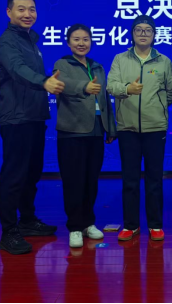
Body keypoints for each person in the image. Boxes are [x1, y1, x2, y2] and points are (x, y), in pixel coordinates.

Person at [0, 0, 65, 255]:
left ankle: (27, 221)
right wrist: (44, 81)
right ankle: (9, 232)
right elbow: (18, 70)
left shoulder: (30, 40)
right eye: (21, 9)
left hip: (34, 117)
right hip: (17, 119)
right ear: (9, 12)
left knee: (31, 174)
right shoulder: (7, 42)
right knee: (14, 176)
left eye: (32, 9)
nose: (28, 14)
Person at [107, 15, 172, 242]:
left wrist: (156, 105)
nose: (143, 33)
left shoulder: (164, 61)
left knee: (155, 179)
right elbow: (111, 86)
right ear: (132, 34)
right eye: (139, 30)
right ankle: (131, 225)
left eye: (148, 30)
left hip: (155, 127)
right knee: (130, 180)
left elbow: (171, 91)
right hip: (127, 128)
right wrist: (127, 89)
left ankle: (155, 225)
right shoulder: (120, 58)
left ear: (154, 35)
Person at [54, 24, 117, 248]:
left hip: (96, 130)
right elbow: (63, 85)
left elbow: (105, 100)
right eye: (76, 39)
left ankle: (88, 223)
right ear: (68, 42)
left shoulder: (97, 66)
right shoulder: (62, 64)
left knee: (91, 180)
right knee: (73, 181)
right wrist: (84, 87)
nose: (82, 43)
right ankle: (74, 226)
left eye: (86, 39)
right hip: (72, 131)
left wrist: (110, 128)